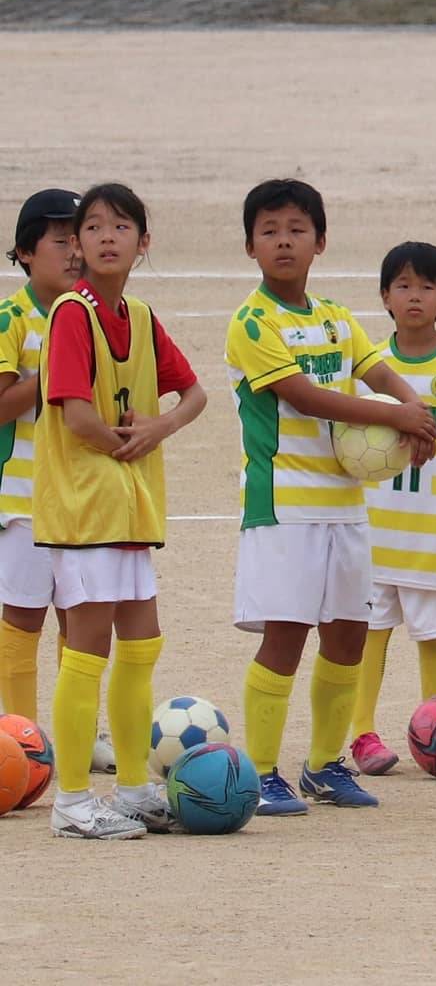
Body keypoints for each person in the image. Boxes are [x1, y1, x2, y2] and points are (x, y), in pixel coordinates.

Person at [226, 179, 436, 816]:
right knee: (286, 636)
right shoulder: (253, 321)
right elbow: (305, 396)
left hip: (345, 505)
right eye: (269, 231)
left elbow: (377, 369)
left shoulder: (336, 318)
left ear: (320, 241)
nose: (283, 242)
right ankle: (263, 771)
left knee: (347, 635)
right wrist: (398, 418)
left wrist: (414, 408)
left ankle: (323, 766)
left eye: (296, 229)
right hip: (284, 505)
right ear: (250, 246)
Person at [35, 184, 207, 839]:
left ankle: (133, 786)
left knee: (140, 647)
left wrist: (159, 427)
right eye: (94, 227)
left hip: (131, 511)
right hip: (85, 514)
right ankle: (73, 802)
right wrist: (126, 443)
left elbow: (195, 394)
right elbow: (76, 415)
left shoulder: (139, 314)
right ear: (78, 245)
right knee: (86, 653)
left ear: (144, 241)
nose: (108, 236)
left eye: (122, 225)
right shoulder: (71, 314)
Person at [348, 241, 436, 775]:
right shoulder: (369, 368)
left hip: (431, 534)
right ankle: (362, 734)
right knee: (368, 633)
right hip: (371, 532)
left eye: (427, 287)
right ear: (384, 296)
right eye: (403, 286)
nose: (414, 296)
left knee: (434, 634)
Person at [0, 189, 114, 773]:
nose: (74, 251)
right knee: (22, 619)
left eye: (79, 237)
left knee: (81, 618)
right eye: (59, 240)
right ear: (24, 252)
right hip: (23, 499)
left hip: (81, 498)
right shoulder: (11, 319)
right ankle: (20, 740)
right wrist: (51, 370)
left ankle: (80, 734)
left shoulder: (94, 315)